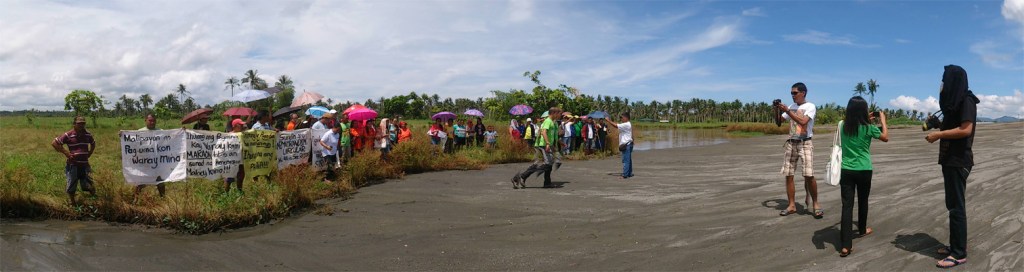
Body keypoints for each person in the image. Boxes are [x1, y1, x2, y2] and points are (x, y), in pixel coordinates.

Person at [925, 65, 979, 268]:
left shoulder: (967, 100)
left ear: (954, 81)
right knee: (952, 205)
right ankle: (955, 245)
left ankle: (958, 253)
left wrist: (938, 135)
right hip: (950, 160)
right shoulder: (954, 103)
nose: (942, 84)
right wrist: (938, 125)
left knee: (957, 207)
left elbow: (965, 130)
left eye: (945, 80)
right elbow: (954, 127)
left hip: (959, 161)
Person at [837, 96, 889, 257]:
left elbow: (850, 123)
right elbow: (885, 137)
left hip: (846, 169)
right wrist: (883, 121)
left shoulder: (842, 125)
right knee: (863, 200)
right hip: (864, 169)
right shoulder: (869, 127)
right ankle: (861, 229)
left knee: (847, 206)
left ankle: (846, 245)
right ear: (864, 111)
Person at [772, 82, 822, 218]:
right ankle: (792, 205)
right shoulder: (791, 106)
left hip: (805, 142)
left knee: (809, 174)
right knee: (789, 175)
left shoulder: (810, 106)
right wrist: (777, 109)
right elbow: (778, 122)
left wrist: (787, 111)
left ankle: (816, 204)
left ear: (803, 93)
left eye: (795, 93)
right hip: (791, 143)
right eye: (791, 93)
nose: (792, 95)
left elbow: (803, 122)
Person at [511, 107, 562, 189]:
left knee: (549, 164)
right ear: (554, 113)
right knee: (547, 164)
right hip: (544, 145)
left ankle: (547, 183)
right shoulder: (548, 121)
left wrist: (557, 143)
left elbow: (552, 134)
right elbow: (544, 132)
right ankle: (521, 177)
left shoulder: (553, 122)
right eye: (559, 113)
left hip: (549, 145)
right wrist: (548, 143)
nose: (560, 115)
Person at [51, 116, 96, 206]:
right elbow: (54, 143)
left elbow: (93, 143)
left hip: (85, 164)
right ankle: (73, 203)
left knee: (89, 183)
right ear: (74, 124)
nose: (81, 125)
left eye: (83, 123)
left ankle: (95, 201)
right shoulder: (68, 135)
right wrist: (66, 153)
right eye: (79, 123)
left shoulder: (87, 134)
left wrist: (90, 152)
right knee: (72, 183)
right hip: (73, 165)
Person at [135, 114, 166, 197]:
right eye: (150, 120)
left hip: (157, 162)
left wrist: (181, 132)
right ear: (145, 121)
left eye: (154, 120)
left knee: (160, 181)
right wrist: (123, 135)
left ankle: (163, 198)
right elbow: (133, 144)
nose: (152, 122)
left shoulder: (161, 131)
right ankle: (136, 199)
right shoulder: (140, 131)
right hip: (145, 161)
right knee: (141, 181)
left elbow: (169, 140)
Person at [603, 112, 633, 179]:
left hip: (626, 145)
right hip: (628, 144)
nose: (621, 119)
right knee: (628, 160)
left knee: (626, 160)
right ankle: (629, 173)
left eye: (621, 117)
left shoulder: (626, 124)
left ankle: (625, 175)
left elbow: (616, 126)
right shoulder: (627, 124)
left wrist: (608, 120)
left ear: (626, 118)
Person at [224, 118, 246, 193]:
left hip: (241, 160)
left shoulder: (243, 134)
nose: (242, 126)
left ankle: (240, 192)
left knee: (241, 177)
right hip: (232, 161)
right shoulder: (229, 135)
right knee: (229, 178)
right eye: (241, 125)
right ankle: (226, 194)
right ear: (235, 126)